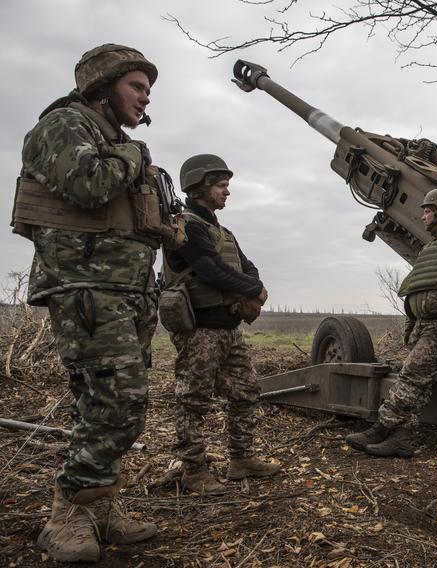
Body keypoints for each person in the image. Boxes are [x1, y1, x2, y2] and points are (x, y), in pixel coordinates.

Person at [11, 44, 178, 562]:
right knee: (119, 402)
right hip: (86, 287)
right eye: (136, 86)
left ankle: (98, 505)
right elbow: (88, 183)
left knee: (108, 405)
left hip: (127, 291)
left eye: (149, 89)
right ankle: (67, 513)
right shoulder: (63, 125)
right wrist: (135, 155)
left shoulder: (113, 141)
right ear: (101, 87)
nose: (145, 97)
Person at [162, 154, 279, 495]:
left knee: (245, 392)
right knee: (193, 400)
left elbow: (246, 265)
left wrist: (253, 285)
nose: (227, 192)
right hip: (200, 329)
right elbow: (211, 269)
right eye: (221, 185)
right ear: (200, 186)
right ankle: (193, 470)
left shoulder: (221, 230)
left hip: (228, 328)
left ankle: (241, 460)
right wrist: (254, 289)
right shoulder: (186, 226)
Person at [346, 188, 437, 458]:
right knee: (417, 382)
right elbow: (420, 286)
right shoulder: (433, 245)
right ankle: (400, 438)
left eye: (427, 210)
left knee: (411, 375)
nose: (422, 216)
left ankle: (381, 428)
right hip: (427, 322)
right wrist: (412, 321)